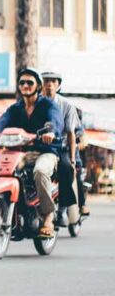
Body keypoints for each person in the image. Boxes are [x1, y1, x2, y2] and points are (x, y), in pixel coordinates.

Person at [0, 68, 62, 238]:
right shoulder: (15, 108)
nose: (25, 85)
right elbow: (1, 122)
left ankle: (48, 216)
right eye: (22, 82)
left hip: (45, 151)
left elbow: (55, 121)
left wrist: (51, 133)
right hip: (21, 152)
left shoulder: (48, 105)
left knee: (40, 171)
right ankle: (6, 210)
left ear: (38, 86)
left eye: (29, 82)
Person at [41, 70, 85, 223]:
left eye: (53, 82)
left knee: (66, 169)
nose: (49, 85)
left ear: (58, 86)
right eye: (46, 81)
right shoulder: (35, 103)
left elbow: (71, 133)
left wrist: (72, 159)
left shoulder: (66, 105)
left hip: (62, 148)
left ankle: (62, 210)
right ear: (41, 85)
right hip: (39, 147)